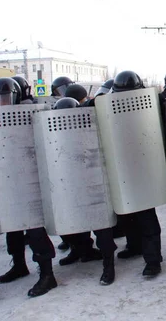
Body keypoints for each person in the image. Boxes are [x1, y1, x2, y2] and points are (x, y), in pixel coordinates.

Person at [0, 77, 58, 297]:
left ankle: (47, 274)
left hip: (32, 179)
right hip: (9, 178)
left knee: (35, 229)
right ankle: (19, 264)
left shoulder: (33, 113)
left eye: (5, 98)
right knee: (13, 227)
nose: (2, 103)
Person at [51, 96, 117, 285]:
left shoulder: (91, 126)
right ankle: (80, 250)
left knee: (102, 226)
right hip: (71, 183)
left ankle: (108, 264)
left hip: (95, 183)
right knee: (71, 221)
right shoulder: (56, 132)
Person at [111, 71, 163, 277]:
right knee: (127, 215)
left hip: (145, 167)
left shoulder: (151, 103)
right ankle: (134, 246)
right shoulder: (109, 105)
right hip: (122, 168)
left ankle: (153, 260)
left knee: (146, 217)